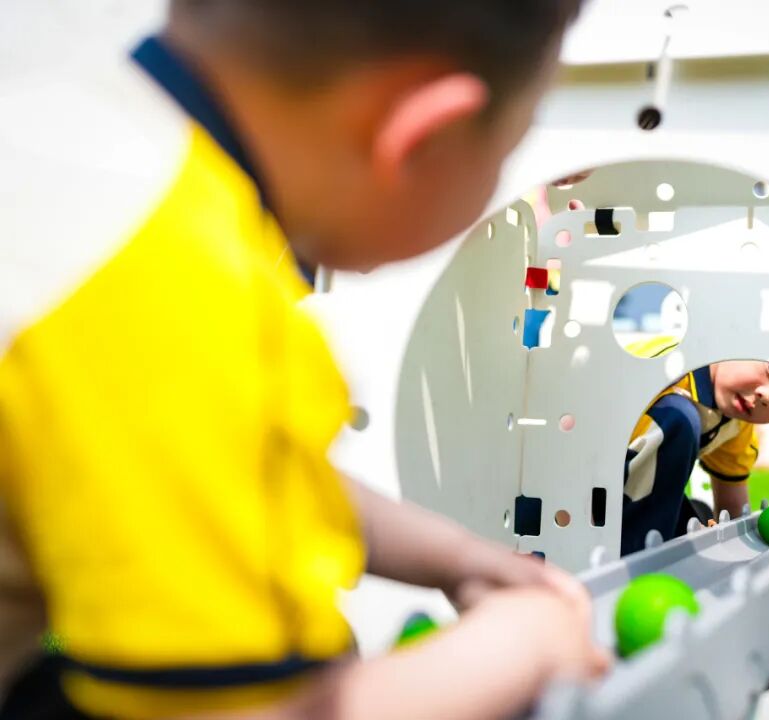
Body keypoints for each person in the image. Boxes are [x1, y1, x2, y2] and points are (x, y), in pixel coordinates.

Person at [0, 2, 609, 719]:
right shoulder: (178, 279)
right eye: (507, 152)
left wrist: (456, 555)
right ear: (423, 137)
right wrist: (527, 646)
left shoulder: (71, 143)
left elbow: (229, 463)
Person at [620, 295, 769, 556]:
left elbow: (732, 513)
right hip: (598, 498)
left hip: (632, 504)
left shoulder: (735, 422)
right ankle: (637, 556)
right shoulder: (664, 371)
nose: (767, 396)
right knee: (679, 419)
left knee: (700, 518)